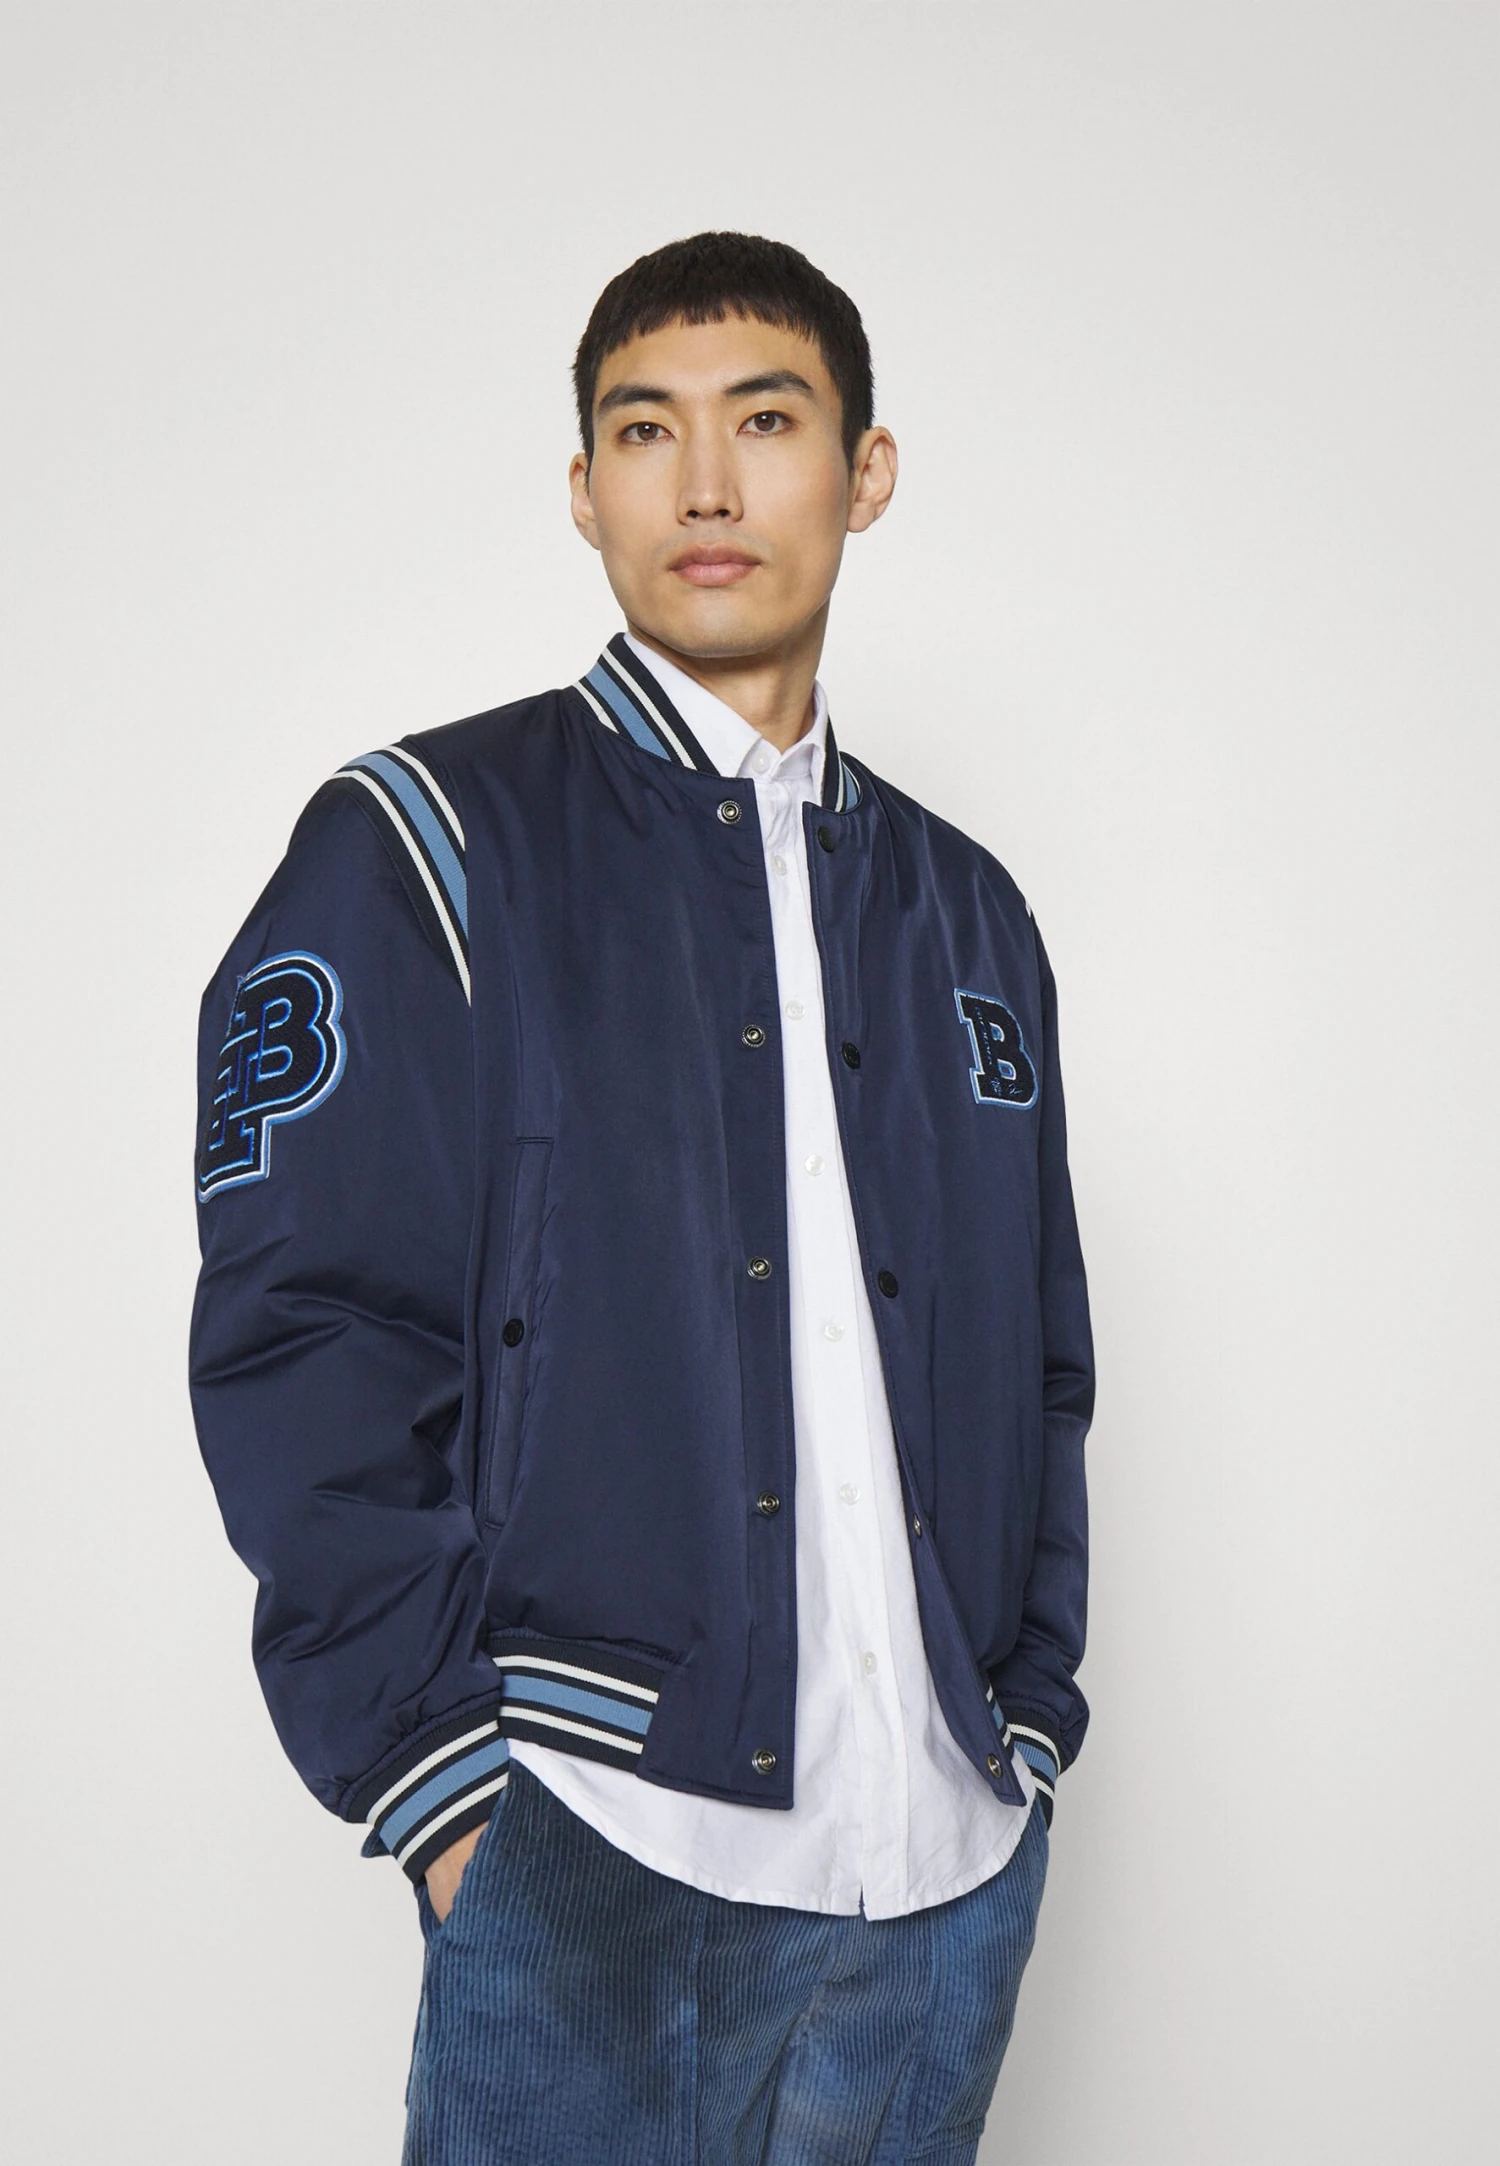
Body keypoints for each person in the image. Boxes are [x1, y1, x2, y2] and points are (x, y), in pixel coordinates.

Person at [188, 229, 1096, 2165]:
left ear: (863, 471)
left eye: (764, 422)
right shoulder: (427, 848)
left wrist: (1020, 1732)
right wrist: (450, 1802)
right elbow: (305, 1334)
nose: (703, 485)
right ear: (583, 488)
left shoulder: (972, 914)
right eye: (643, 430)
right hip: (600, 1858)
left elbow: (1044, 1360)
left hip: (944, 1879)